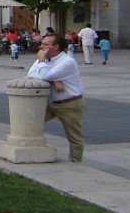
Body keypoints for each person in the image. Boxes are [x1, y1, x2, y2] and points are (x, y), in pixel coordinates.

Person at [27, 32, 86, 162]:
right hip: (51, 103)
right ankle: (31, 149)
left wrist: (44, 66)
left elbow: (43, 76)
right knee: (30, 121)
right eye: (41, 44)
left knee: (74, 135)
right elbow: (30, 74)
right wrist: (54, 80)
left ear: (56, 47)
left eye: (45, 44)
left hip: (69, 103)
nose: (41, 47)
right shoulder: (45, 58)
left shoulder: (67, 61)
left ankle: (76, 161)